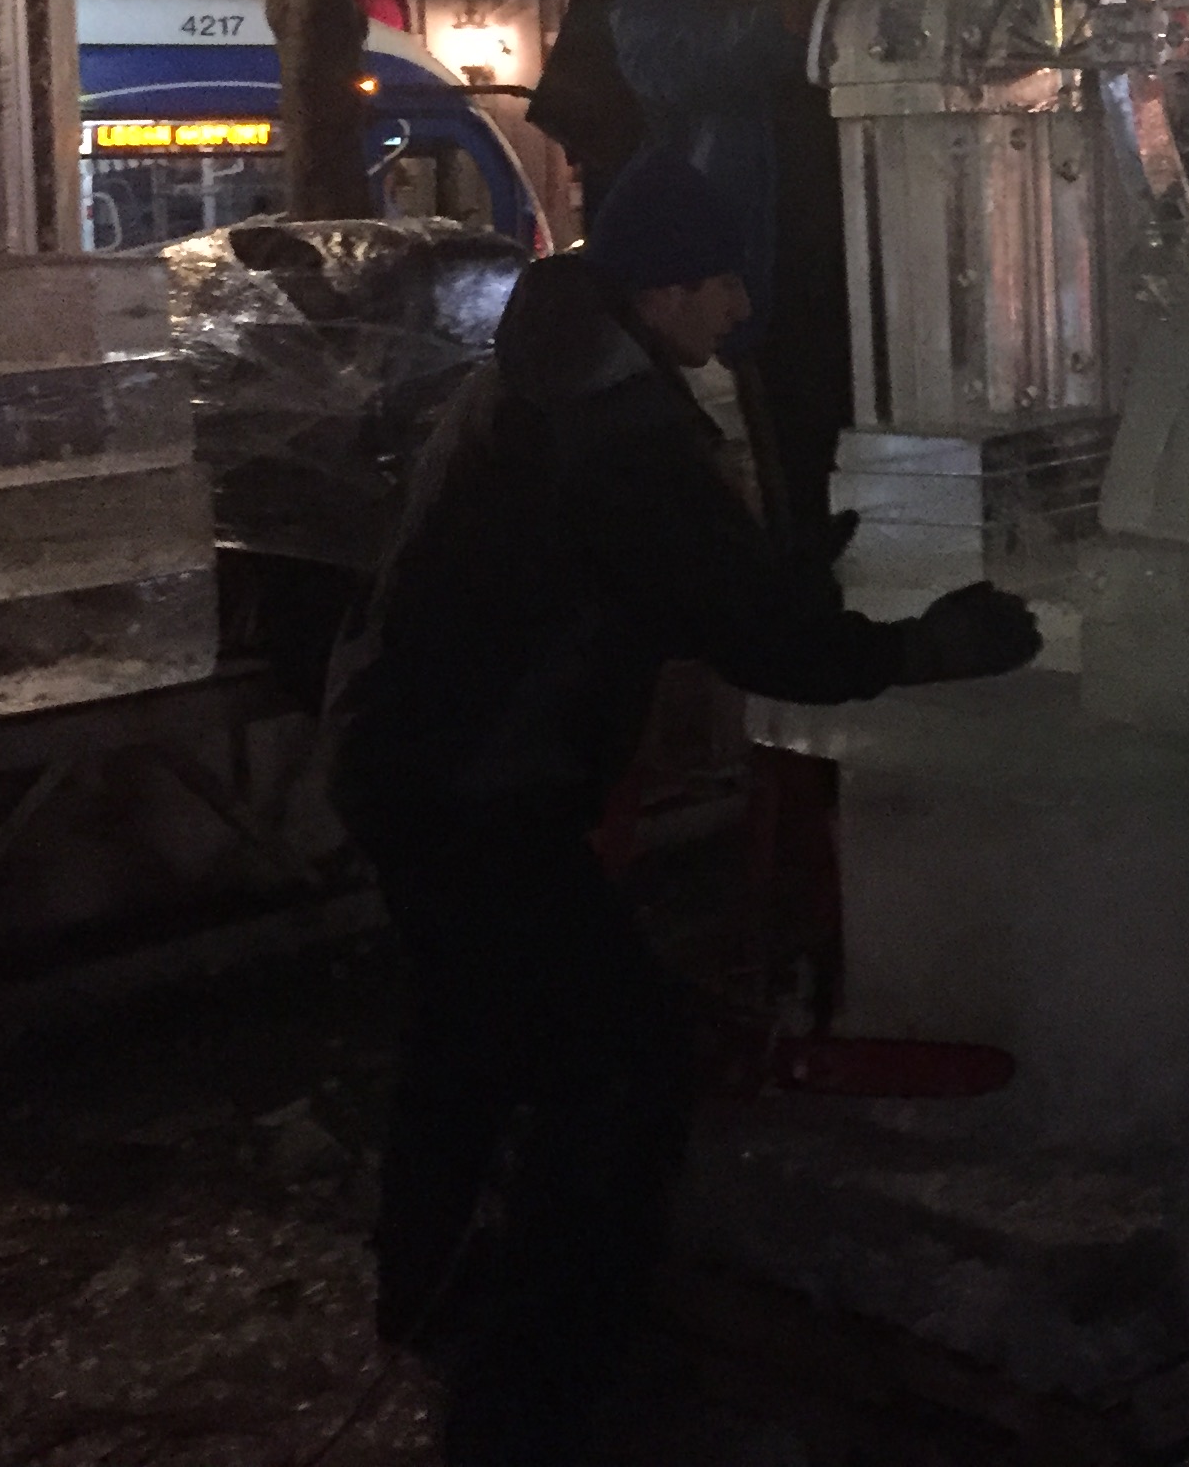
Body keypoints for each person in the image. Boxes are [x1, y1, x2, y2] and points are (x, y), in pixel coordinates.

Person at [327, 153, 1039, 1467]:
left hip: (413, 756)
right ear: (664, 288)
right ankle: (539, 1389)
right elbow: (748, 633)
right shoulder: (614, 427)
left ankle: (431, 1294)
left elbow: (661, 576)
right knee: (620, 1065)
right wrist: (923, 648)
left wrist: (769, 569)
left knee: (468, 1035)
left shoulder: (562, 365)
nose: (738, 310)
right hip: (477, 787)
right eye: (723, 286)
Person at [612, 0, 881, 537]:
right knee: (768, 507)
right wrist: (798, 9)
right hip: (738, 319)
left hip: (839, 303)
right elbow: (692, 61)